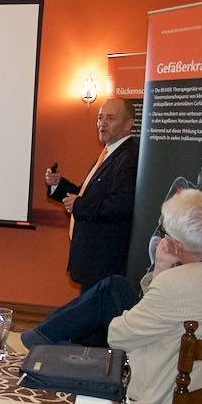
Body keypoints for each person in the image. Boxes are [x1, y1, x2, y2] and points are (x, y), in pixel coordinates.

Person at [13, 190, 202, 404]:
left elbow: (117, 336)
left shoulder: (176, 285)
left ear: (178, 246)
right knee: (114, 288)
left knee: (100, 310)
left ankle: (39, 346)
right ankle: (40, 343)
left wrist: (160, 269)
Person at [46, 97, 139, 291]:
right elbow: (87, 194)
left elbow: (121, 204)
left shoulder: (129, 157)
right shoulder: (108, 154)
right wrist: (58, 185)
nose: (102, 124)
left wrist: (78, 205)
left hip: (105, 259)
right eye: (99, 118)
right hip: (92, 258)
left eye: (110, 118)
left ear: (128, 124)